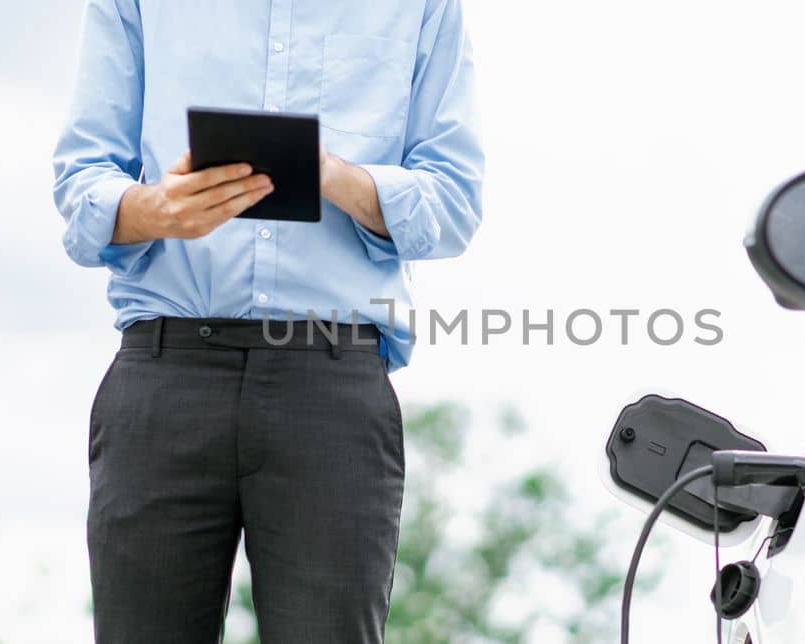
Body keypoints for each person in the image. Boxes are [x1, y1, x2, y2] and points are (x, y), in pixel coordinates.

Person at [50, 0, 484, 641]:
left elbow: (453, 202)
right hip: (166, 375)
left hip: (331, 388)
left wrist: (329, 174)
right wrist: (158, 209)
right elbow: (80, 185)